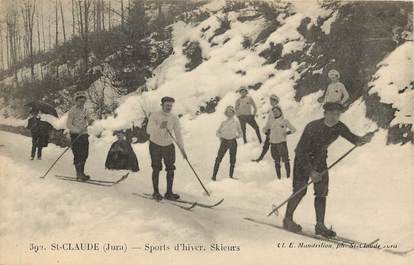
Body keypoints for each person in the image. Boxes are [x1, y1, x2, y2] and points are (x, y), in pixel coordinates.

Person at [283, 102, 374, 237]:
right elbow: (301, 151)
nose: (334, 117)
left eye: (337, 114)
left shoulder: (339, 127)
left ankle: (320, 226)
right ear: (325, 113)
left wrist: (363, 139)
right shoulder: (312, 126)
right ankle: (288, 219)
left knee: (322, 191)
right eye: (331, 113)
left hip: (320, 161)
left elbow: (353, 139)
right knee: (300, 190)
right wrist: (311, 172)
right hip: (303, 160)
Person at [146, 96, 187, 201]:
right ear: (162, 105)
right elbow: (148, 130)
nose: (169, 107)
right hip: (155, 145)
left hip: (168, 146)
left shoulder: (173, 117)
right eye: (167, 105)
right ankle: (156, 192)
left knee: (170, 168)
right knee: (156, 168)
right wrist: (160, 127)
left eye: (170, 105)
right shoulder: (155, 115)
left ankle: (169, 193)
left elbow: (178, 134)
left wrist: (182, 150)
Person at [263, 106, 296, 179]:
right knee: (276, 161)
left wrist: (286, 133)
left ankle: (288, 177)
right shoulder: (271, 122)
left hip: (282, 143)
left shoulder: (285, 121)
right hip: (273, 144)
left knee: (286, 160)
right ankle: (279, 178)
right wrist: (268, 134)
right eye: (274, 112)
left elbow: (293, 129)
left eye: (276, 111)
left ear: (280, 112)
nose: (275, 113)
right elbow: (264, 129)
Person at [66, 91, 91, 181]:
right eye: (80, 101)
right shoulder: (72, 111)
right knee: (78, 154)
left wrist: (91, 120)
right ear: (76, 101)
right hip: (75, 136)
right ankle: (78, 174)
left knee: (85, 154)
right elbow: (68, 125)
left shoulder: (85, 110)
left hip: (84, 135)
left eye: (83, 101)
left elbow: (89, 118)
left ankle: (82, 173)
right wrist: (77, 131)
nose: (82, 103)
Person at [212, 106, 242, 181]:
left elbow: (241, 133)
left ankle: (231, 176)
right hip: (224, 142)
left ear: (233, 113)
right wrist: (221, 137)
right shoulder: (223, 123)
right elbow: (217, 132)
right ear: (226, 113)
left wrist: (237, 136)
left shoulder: (236, 122)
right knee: (218, 158)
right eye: (228, 112)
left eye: (231, 112)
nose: (229, 113)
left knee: (232, 159)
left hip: (232, 142)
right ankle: (213, 176)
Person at [252, 94, 281, 162]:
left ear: (276, 101)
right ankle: (261, 158)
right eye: (270, 100)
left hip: (275, 130)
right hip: (271, 130)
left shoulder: (278, 109)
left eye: (272, 100)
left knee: (275, 145)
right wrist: (266, 128)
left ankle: (279, 159)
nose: (270, 102)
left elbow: (279, 120)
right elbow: (269, 121)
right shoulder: (271, 109)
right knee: (267, 144)